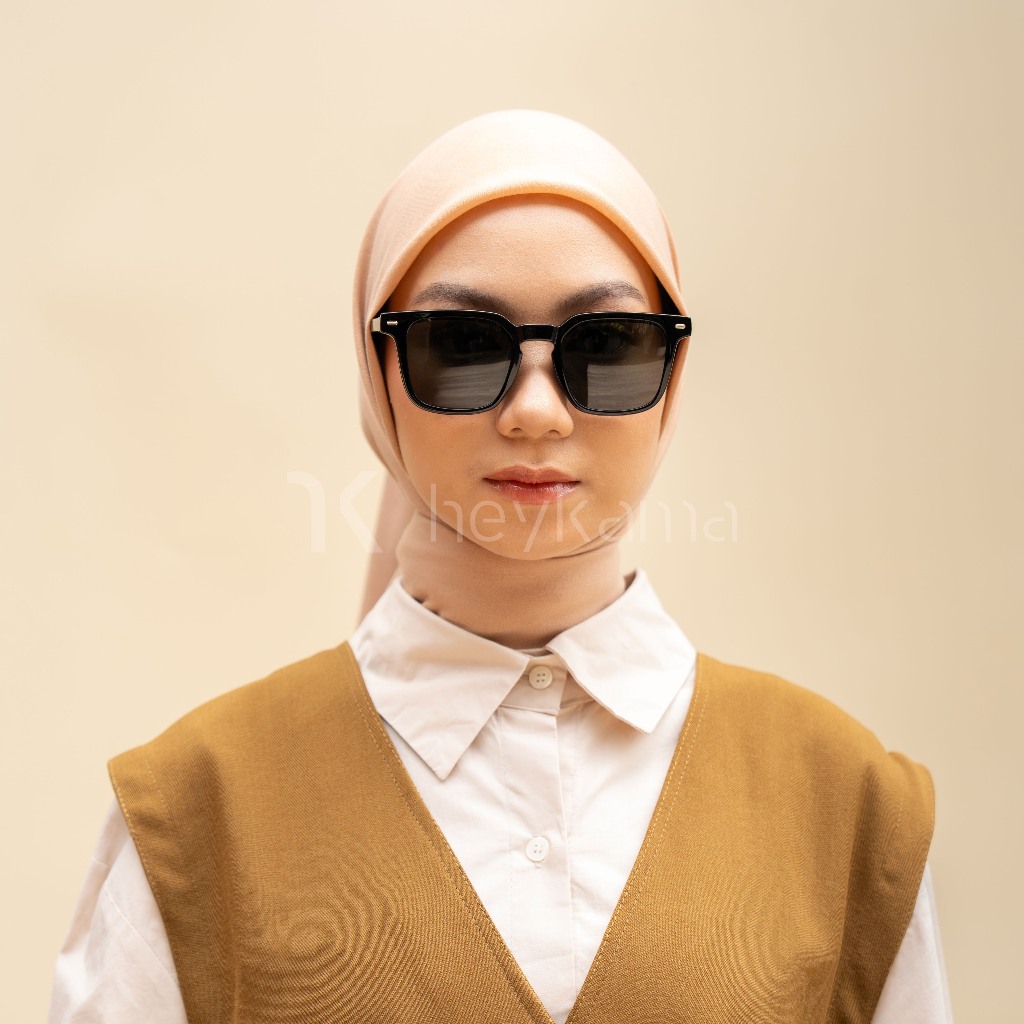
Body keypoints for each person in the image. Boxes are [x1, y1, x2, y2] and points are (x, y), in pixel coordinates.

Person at [48, 110, 953, 1023]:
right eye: (459, 343)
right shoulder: (193, 815)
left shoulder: (850, 809)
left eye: (606, 344)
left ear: (673, 373)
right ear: (376, 368)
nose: (535, 413)